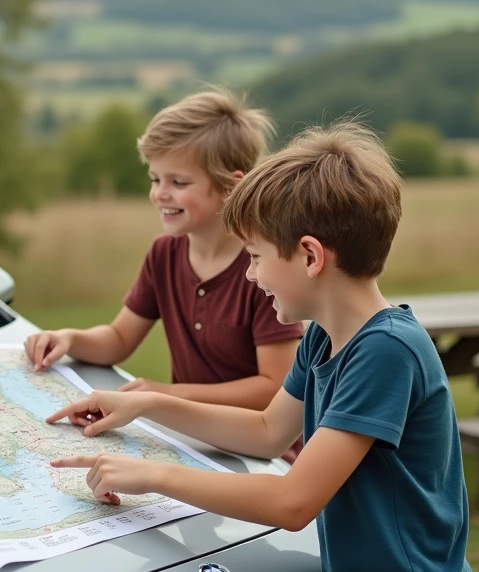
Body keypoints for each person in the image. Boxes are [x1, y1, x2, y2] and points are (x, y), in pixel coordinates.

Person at [47, 123, 479, 572]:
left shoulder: (385, 352)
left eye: (254, 257)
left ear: (309, 256)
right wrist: (147, 404)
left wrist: (153, 476)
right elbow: (266, 431)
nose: (249, 274)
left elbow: (292, 503)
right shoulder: (325, 337)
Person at [24, 90, 302, 419]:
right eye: (155, 178)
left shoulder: (264, 269)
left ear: (231, 187)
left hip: (258, 454)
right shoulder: (164, 254)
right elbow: (119, 338)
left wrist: (165, 395)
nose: (160, 193)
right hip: (191, 438)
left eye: (179, 182)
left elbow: (273, 388)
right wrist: (69, 339)